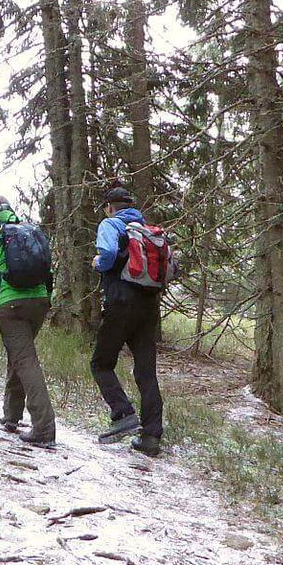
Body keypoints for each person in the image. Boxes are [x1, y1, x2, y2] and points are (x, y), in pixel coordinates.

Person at [0, 195, 56, 447]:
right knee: (19, 355)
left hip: (10, 304)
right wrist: (46, 299)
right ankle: (12, 416)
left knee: (24, 359)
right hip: (39, 301)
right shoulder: (28, 230)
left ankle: (44, 428)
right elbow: (48, 270)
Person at [90, 186, 164, 456]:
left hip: (120, 302)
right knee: (146, 372)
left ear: (110, 206)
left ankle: (123, 414)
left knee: (101, 363)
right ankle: (151, 436)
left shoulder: (111, 224)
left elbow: (108, 254)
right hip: (148, 307)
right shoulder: (149, 232)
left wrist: (98, 262)